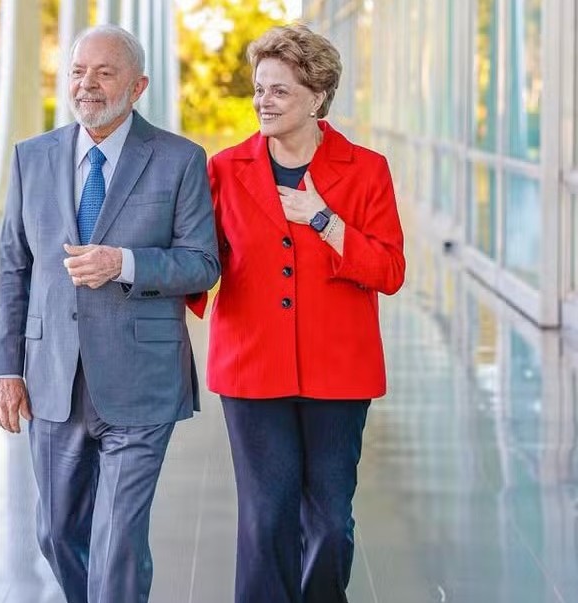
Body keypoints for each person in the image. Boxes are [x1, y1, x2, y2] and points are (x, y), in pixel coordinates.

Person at [0, 24, 220, 603]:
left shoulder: (180, 160)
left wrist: (125, 262)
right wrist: (4, 369)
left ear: (137, 86)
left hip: (142, 378)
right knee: (57, 533)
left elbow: (201, 264)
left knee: (117, 541)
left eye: (104, 72)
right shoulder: (31, 158)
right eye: (77, 71)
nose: (86, 84)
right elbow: (14, 270)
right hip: (51, 377)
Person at [195, 24, 406, 603]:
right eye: (259, 89)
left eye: (279, 90)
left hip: (340, 372)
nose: (263, 101)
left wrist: (326, 221)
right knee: (267, 519)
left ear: (317, 96)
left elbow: (389, 270)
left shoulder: (367, 169)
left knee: (331, 522)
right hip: (251, 369)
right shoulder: (224, 169)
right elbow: (199, 261)